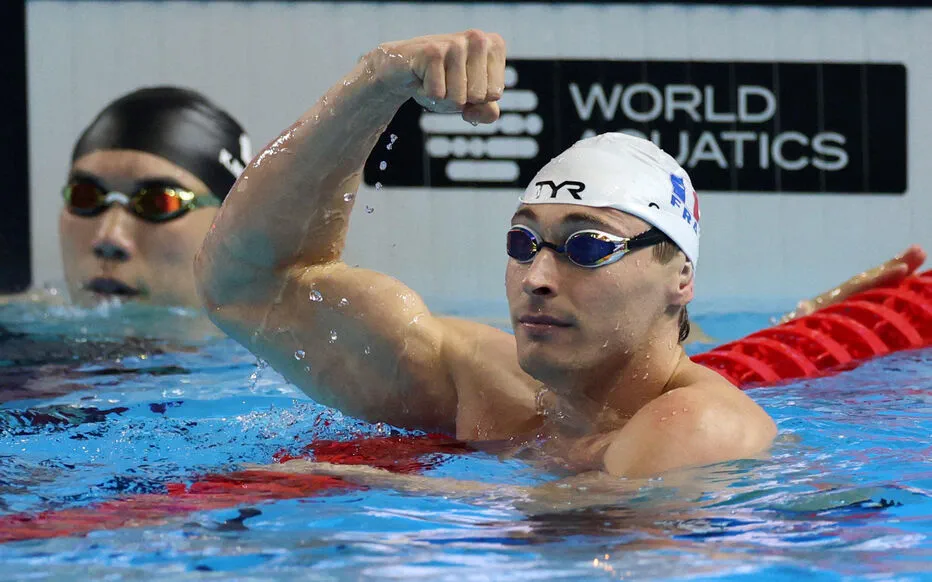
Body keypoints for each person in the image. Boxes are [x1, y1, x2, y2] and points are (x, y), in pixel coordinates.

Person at [195, 30, 780, 479]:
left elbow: (597, 536)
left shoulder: (703, 424)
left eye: (587, 246)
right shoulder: (480, 382)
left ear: (680, 277)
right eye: (523, 243)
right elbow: (249, 288)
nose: (538, 278)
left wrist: (365, 480)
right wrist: (375, 86)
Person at [59, 86, 252, 307]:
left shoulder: (284, 339)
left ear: (233, 234)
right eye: (84, 197)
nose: (109, 239)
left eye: (157, 203)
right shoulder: (15, 331)